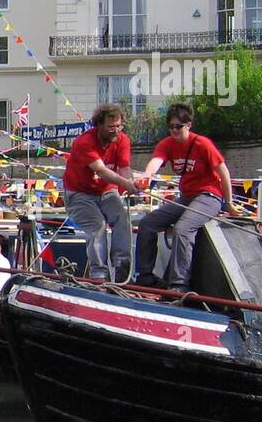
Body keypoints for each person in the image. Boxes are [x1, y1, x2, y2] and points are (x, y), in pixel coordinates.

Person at [135, 103, 238, 291]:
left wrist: (228, 203)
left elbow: (223, 173)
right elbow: (156, 161)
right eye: (171, 126)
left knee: (183, 229)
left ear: (188, 125)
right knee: (147, 224)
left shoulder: (202, 144)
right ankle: (145, 276)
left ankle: (179, 284)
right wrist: (147, 175)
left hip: (209, 196)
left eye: (178, 126)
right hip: (187, 197)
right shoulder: (167, 144)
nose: (174, 130)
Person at [63, 104, 140, 282]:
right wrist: (125, 183)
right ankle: (99, 275)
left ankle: (122, 267)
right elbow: (102, 171)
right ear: (99, 125)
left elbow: (124, 167)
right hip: (79, 193)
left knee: (122, 219)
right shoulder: (85, 142)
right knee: (97, 225)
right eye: (111, 127)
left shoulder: (122, 140)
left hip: (106, 191)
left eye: (119, 126)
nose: (116, 131)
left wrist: (129, 184)